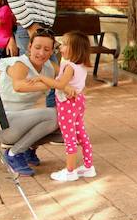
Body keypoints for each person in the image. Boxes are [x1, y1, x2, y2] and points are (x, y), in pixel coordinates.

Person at [0, 29, 73, 176]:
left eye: (47, 49)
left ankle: (27, 149)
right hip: (3, 122)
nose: (41, 53)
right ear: (29, 47)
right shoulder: (20, 64)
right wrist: (54, 84)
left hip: (21, 122)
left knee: (68, 119)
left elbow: (69, 75)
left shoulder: (50, 67)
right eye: (37, 47)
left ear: (51, 52)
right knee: (54, 115)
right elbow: (19, 86)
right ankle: (14, 154)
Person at [7, 0, 62, 106]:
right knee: (51, 74)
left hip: (42, 33)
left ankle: (54, 117)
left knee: (51, 74)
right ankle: (54, 118)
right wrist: (31, 26)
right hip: (33, 33)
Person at [35, 31, 96, 183]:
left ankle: (70, 171)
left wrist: (43, 78)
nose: (60, 47)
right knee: (81, 133)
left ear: (74, 49)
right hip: (78, 101)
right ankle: (89, 167)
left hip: (67, 104)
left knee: (69, 137)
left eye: (64, 44)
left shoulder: (70, 66)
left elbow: (61, 85)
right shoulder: (78, 64)